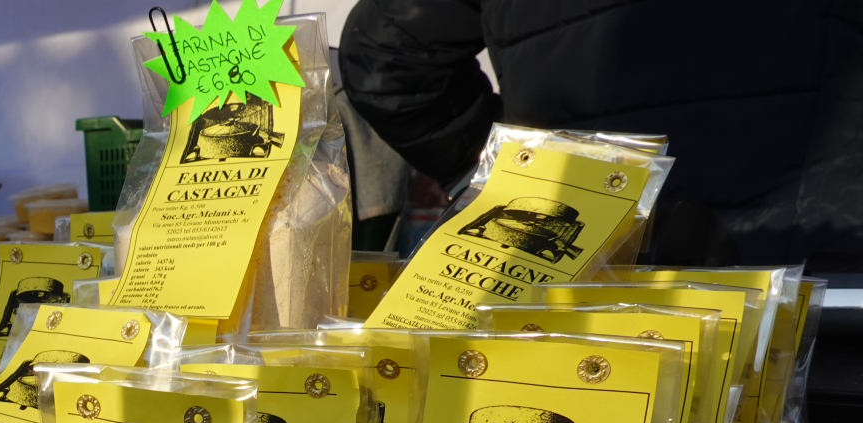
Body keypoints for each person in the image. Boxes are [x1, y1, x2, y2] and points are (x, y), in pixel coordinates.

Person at [338, 0, 863, 270]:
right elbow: (389, 59)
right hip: (830, 278)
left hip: (600, 278)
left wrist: (524, 177)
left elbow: (387, 59)